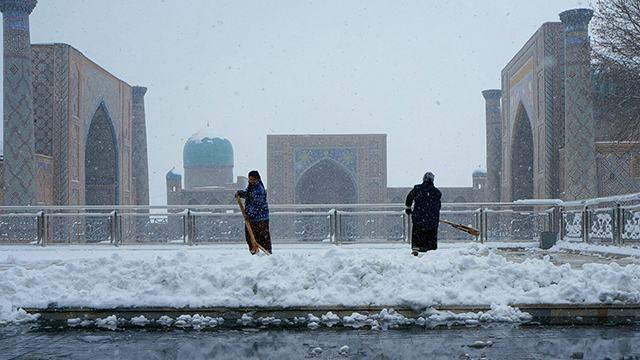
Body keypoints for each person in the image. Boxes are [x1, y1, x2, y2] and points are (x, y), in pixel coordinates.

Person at [235, 170, 272, 254]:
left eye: (253, 179)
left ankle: (265, 253)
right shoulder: (251, 187)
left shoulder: (259, 189)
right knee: (250, 236)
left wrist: (250, 215)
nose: (252, 181)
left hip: (260, 218)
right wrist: (240, 193)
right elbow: (248, 195)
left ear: (257, 179)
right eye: (250, 179)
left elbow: (256, 205)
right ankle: (255, 253)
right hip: (252, 218)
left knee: (261, 237)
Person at [405, 171, 442, 256]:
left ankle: (416, 248)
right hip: (432, 219)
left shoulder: (417, 188)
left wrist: (408, 209)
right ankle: (431, 249)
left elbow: (409, 198)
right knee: (431, 234)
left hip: (419, 217)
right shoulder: (437, 192)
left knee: (418, 233)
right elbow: (438, 206)